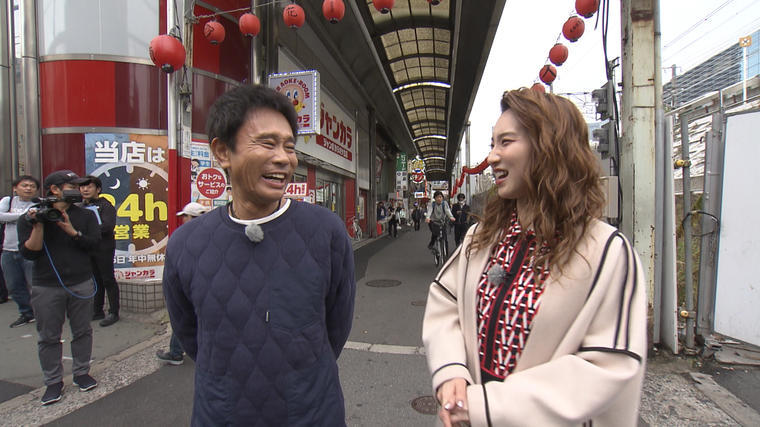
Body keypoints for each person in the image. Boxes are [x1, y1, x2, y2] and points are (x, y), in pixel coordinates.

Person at [422, 88, 647, 427]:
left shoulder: (607, 251)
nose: (492, 157)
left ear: (548, 147)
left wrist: (486, 406)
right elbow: (446, 300)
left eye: (506, 142)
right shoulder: (482, 236)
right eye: (492, 144)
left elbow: (608, 365)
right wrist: (451, 370)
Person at [162, 85, 355, 425]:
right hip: (221, 415)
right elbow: (192, 335)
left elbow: (335, 329)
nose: (283, 158)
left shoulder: (326, 232)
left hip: (312, 415)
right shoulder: (186, 244)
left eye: (289, 147)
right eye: (267, 143)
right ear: (223, 152)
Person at [17, 170, 100, 405]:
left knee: (82, 330)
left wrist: (73, 232)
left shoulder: (86, 215)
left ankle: (82, 373)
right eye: (72, 186)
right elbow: (29, 253)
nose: (79, 190)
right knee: (48, 336)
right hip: (46, 285)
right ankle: (53, 382)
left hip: (81, 282)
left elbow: (95, 245)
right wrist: (39, 225)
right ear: (55, 189)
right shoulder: (31, 216)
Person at [155, 202, 209, 366]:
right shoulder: (211, 232)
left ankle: (176, 353)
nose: (184, 219)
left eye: (186, 216)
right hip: (204, 285)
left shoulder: (186, 236)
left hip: (192, 285)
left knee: (183, 317)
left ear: (193, 217)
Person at [78, 175, 120, 327]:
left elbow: (107, 226)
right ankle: (97, 310)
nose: (85, 189)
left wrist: (87, 230)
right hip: (88, 247)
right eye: (83, 187)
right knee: (95, 280)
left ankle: (114, 312)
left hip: (104, 248)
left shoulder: (105, 205)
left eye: (89, 186)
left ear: (98, 189)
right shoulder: (80, 206)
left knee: (107, 279)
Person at [1, 176, 40, 327]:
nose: (28, 188)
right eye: (24, 185)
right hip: (8, 250)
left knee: (35, 285)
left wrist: (11, 217)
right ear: (15, 188)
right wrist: (25, 216)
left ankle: (41, 312)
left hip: (30, 251)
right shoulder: (8, 201)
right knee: (13, 285)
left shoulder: (39, 203)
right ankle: (26, 313)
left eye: (32, 186)